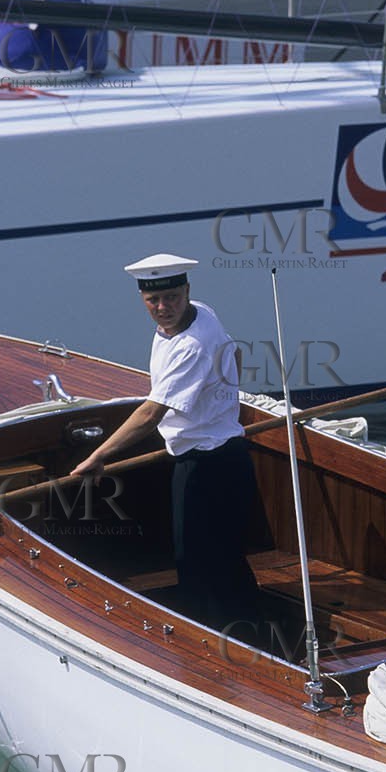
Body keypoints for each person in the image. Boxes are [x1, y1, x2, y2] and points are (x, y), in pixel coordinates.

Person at [71, 254, 263, 637]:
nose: (163, 308)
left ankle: (211, 645)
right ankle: (247, 634)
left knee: (195, 562)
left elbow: (150, 414)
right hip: (223, 453)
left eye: (172, 298)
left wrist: (97, 457)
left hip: (205, 463)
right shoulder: (202, 313)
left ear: (187, 292)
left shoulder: (191, 346)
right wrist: (223, 402)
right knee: (224, 557)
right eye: (153, 301)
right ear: (143, 298)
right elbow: (235, 353)